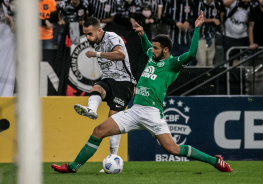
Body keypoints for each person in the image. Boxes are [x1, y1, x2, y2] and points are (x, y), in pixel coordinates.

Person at [51, 11, 232, 173]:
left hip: (152, 113)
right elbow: (146, 46)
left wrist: (197, 28)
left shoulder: (172, 64)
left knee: (173, 149)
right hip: (135, 110)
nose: (151, 51)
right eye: (152, 48)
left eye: (156, 48)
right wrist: (142, 34)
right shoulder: (153, 57)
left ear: (166, 50)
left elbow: (192, 53)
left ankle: (215, 161)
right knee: (98, 130)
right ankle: (72, 167)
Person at [66, 17, 136, 171]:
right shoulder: (97, 41)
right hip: (108, 80)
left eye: (90, 34)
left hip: (124, 83)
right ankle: (92, 110)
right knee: (96, 88)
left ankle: (113, 158)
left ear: (99, 30)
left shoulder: (112, 37)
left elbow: (120, 55)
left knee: (113, 121)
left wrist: (97, 54)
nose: (88, 38)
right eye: (85, 35)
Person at [195, 0, 225, 66]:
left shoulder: (217, 4)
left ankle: (209, 76)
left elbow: (221, 17)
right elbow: (198, 19)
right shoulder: (200, 4)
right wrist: (213, 20)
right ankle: (200, 76)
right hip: (200, 37)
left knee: (210, 62)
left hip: (212, 36)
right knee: (202, 61)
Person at [223, 0, 250, 66]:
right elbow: (225, 3)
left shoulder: (251, 6)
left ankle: (238, 75)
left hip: (243, 37)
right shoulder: (234, 3)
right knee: (228, 61)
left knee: (240, 61)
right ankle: (229, 75)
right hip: (229, 36)